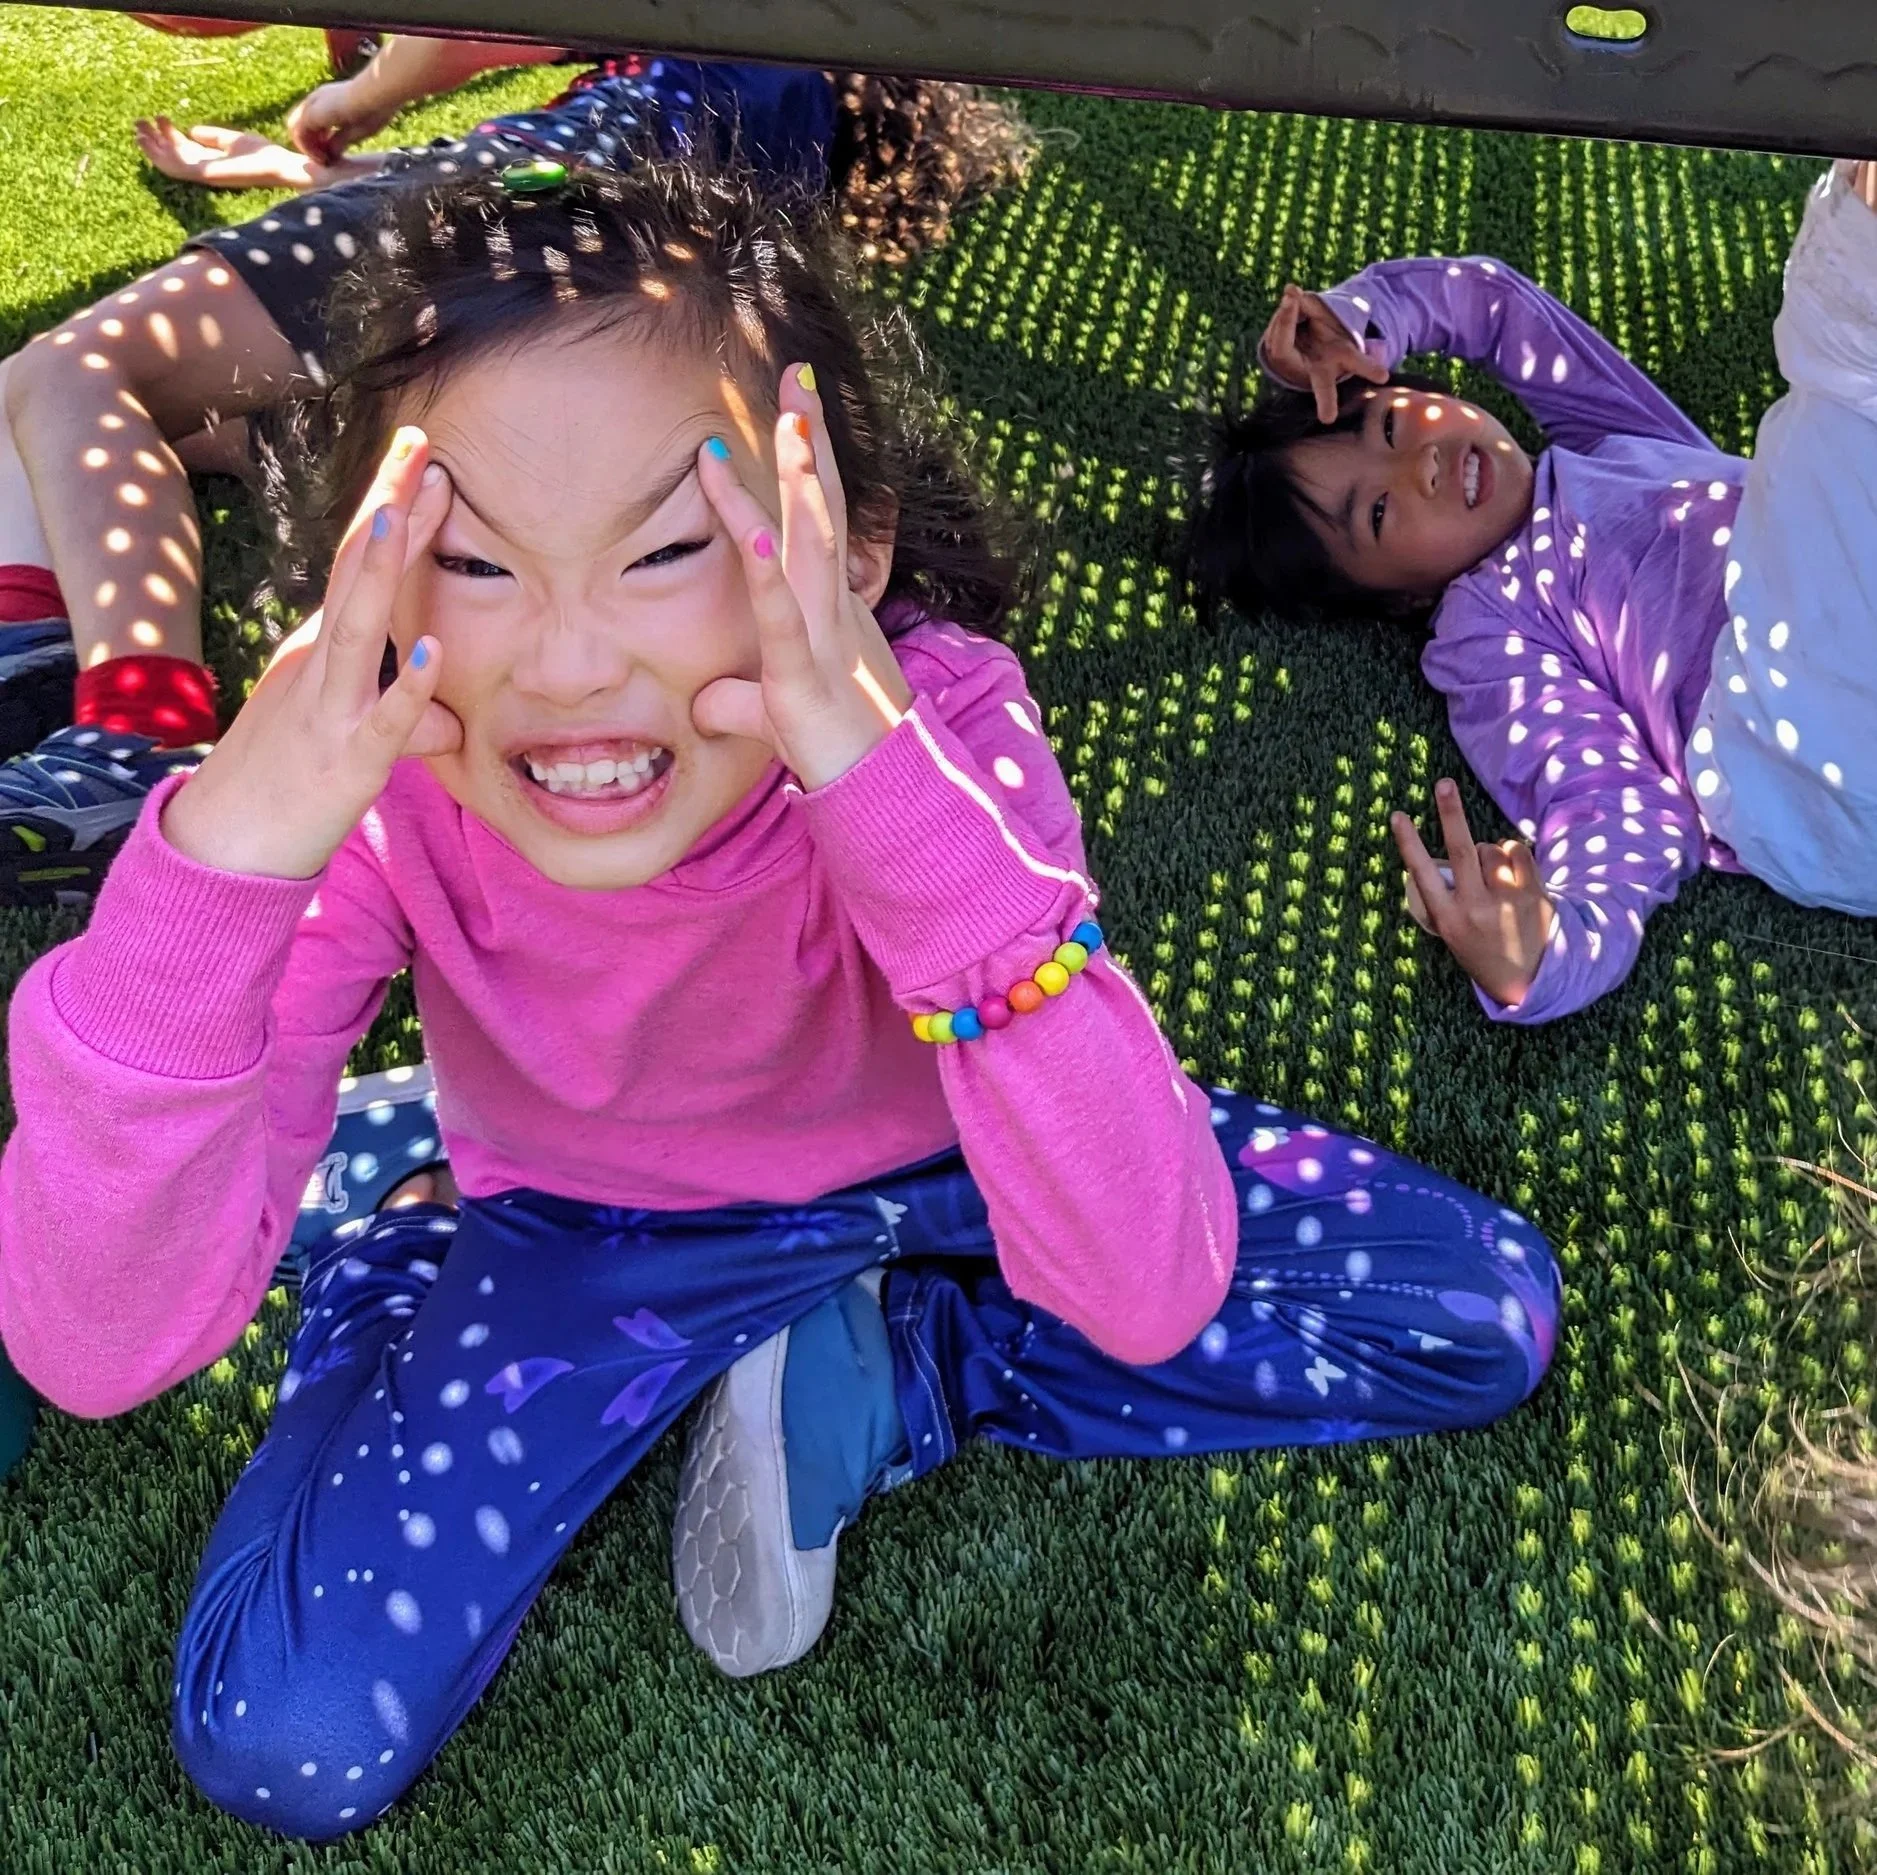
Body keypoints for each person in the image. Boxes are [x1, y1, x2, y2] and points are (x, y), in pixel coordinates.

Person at [0, 154, 1557, 1834]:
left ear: (851, 546)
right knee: (284, 1736)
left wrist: (880, 791)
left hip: (954, 1172)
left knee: (1471, 1315)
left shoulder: (945, 722)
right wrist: (217, 867)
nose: (571, 664)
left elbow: (1143, 1282)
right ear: (363, 575)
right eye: (472, 560)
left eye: (668, 547)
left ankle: (904, 1358)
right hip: (592, 1232)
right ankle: (399, 1244)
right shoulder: (396, 776)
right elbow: (94, 1347)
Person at [0, 33, 1030, 903]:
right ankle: (43, 647)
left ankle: (138, 728)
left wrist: (345, 104)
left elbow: (479, 62)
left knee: (62, 377)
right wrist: (293, 177)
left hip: (522, 232)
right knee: (174, 435)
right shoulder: (747, 123)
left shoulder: (676, 69)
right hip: (540, 249)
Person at [1186, 158, 1877, 1023]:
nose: (1422, 463)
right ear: (1398, 597)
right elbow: (1608, 800)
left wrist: (1366, 317)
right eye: (1379, 512)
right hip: (1802, 757)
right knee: (1846, 373)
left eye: (1395, 422)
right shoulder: (1486, 631)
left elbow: (1494, 304)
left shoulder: (1602, 445)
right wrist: (1543, 950)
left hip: (1837, 630)